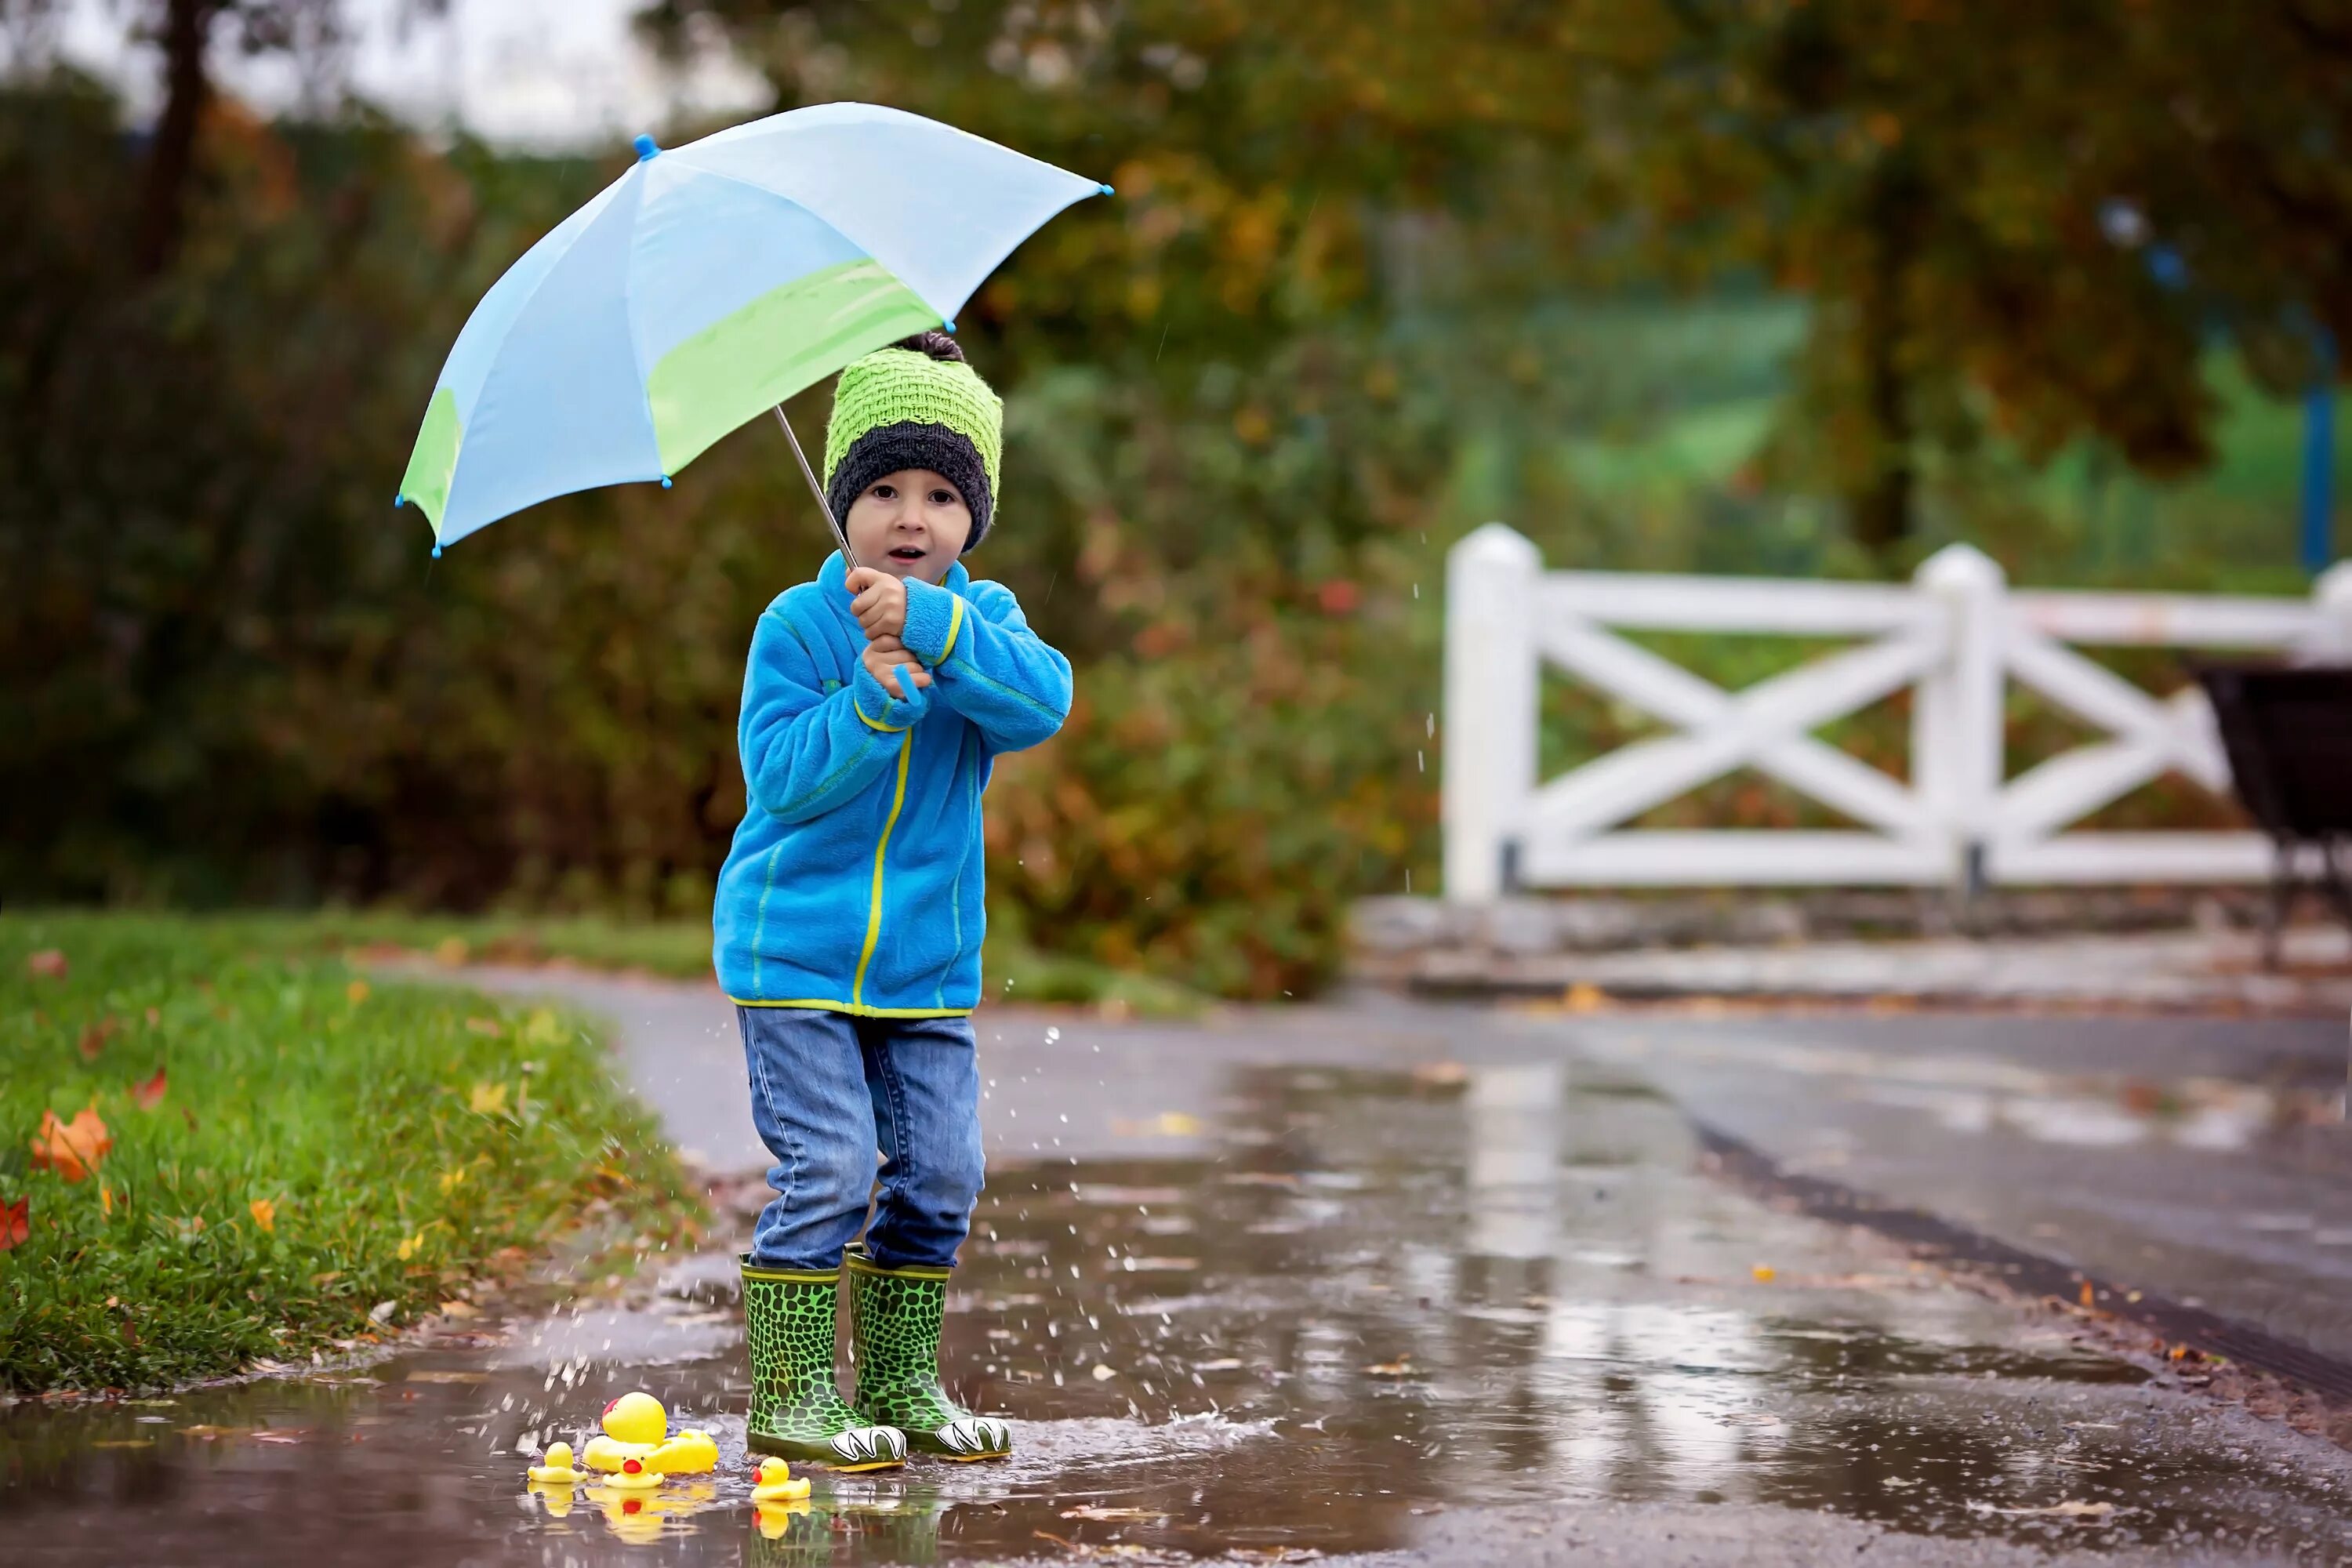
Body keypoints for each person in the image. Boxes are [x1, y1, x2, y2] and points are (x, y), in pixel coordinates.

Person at [712, 332, 1071, 1468]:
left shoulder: (983, 621)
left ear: (974, 517)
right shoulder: (801, 627)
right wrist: (863, 707)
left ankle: (908, 1382)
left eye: (938, 495)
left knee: (944, 1173)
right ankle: (793, 1393)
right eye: (881, 489)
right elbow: (778, 780)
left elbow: (1041, 704)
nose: (910, 517)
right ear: (841, 500)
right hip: (796, 954)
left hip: (924, 964)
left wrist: (935, 630)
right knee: (829, 1165)